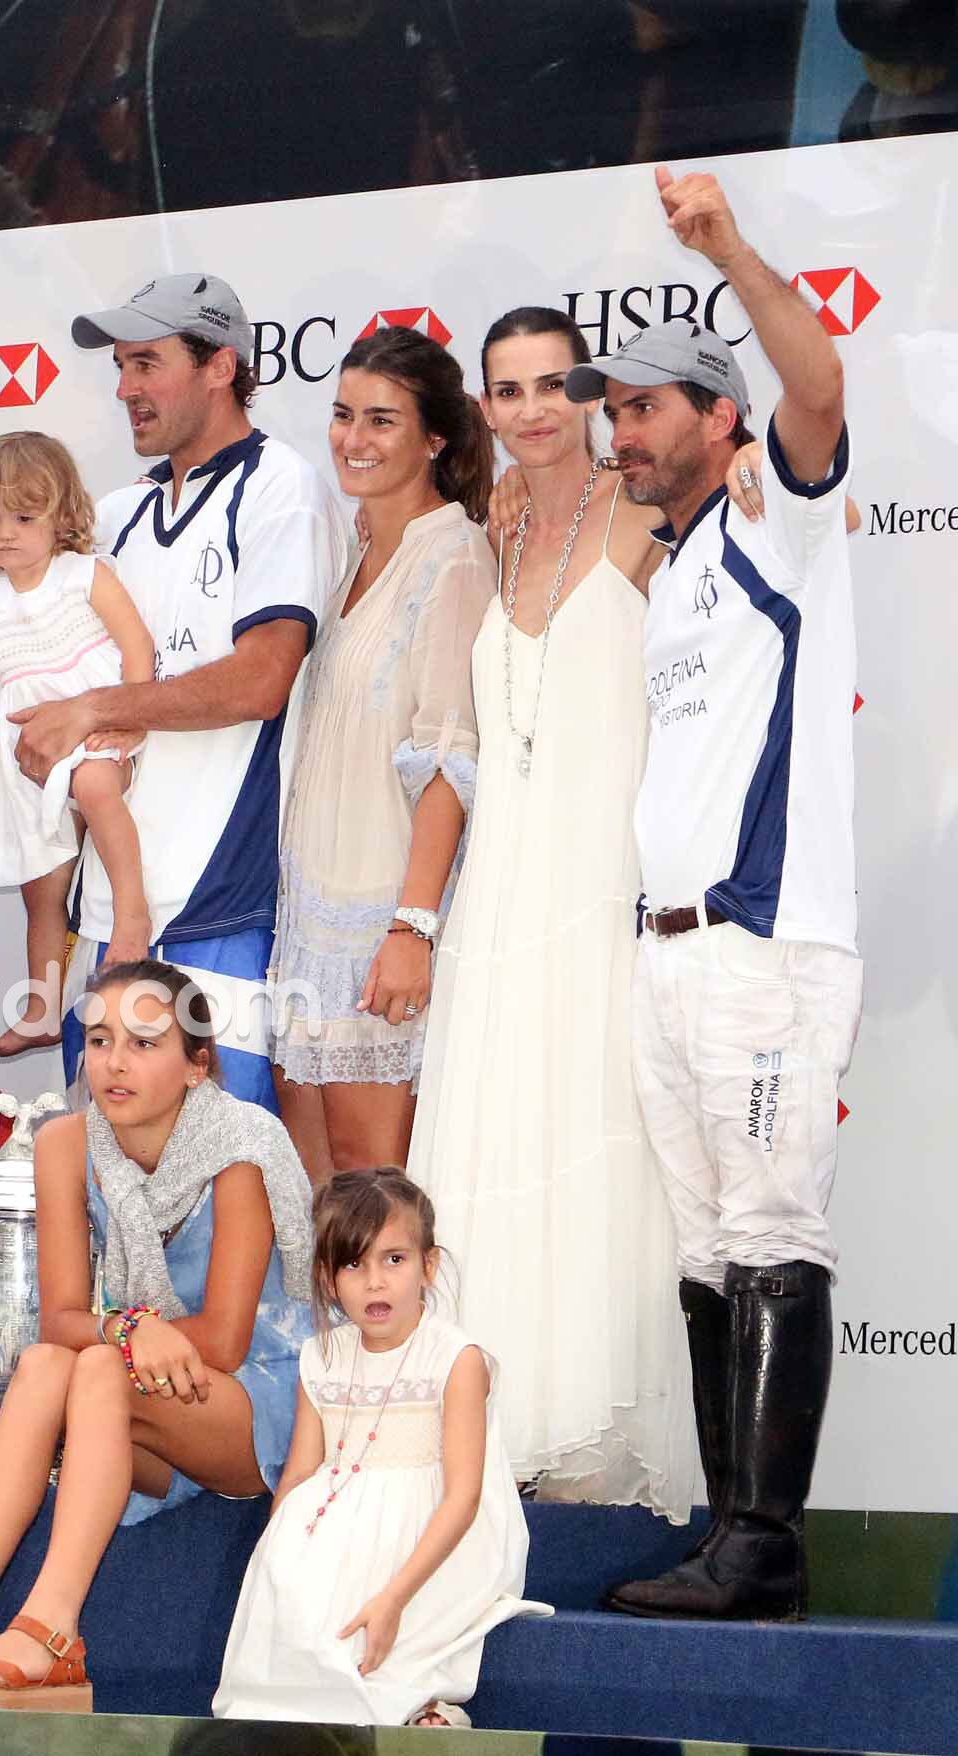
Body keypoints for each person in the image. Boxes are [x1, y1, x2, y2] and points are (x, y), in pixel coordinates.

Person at [564, 166, 861, 1622]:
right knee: (707, 1249)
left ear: (718, 418)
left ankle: (769, 1543)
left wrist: (725, 247)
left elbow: (819, 387)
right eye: (610, 409)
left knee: (772, 1227)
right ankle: (726, 1531)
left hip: (763, 943)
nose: (622, 429)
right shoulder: (676, 565)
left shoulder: (774, 523)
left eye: (645, 406)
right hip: (665, 956)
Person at [406, 305, 695, 1519]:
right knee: (493, 1135)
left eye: (548, 386)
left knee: (589, 1137)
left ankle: (586, 1443)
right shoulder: (492, 532)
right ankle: (494, 1427)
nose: (528, 409)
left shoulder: (649, 517)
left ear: (588, 395)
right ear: (483, 406)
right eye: (505, 389)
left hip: (600, 878)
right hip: (498, 888)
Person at [0, 959, 315, 1708]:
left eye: (143, 1042)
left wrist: (127, 1343)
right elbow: (63, 1318)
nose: (113, 1063)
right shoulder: (68, 1143)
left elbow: (226, 1342)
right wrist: (129, 1327)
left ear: (198, 1065)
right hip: (149, 1394)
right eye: (98, 1041)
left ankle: (52, 1629)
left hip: (255, 1402)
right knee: (42, 1364)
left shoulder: (242, 1146)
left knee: (96, 1370)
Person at [32, 274, 347, 1109]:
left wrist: (96, 710)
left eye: (146, 364)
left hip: (221, 911)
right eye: (121, 368)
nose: (126, 388)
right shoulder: (115, 514)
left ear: (220, 366)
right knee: (112, 1202)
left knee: (229, 1199)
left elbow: (262, 678)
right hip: (106, 915)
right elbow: (9, 571)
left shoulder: (283, 487)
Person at [269, 325, 495, 1176]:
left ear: (435, 437)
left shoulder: (456, 556)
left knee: (376, 1197)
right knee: (320, 1205)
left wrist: (411, 929)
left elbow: (449, 760)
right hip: (309, 925)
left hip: (380, 928)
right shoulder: (347, 549)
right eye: (341, 415)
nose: (352, 440)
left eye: (381, 421)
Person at [214, 1170, 549, 1727]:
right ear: (327, 1278)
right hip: (333, 1528)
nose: (375, 1282)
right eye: (354, 1264)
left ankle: (421, 1707)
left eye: (394, 1260)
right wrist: (280, 1562)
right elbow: (301, 1471)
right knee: (299, 1631)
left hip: (430, 1532)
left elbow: (464, 1496)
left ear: (428, 1265)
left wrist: (394, 1595)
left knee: (376, 1642)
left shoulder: (455, 1359)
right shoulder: (318, 1356)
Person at [0, 432, 157, 1056]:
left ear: (61, 515)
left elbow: (137, 645)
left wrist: (136, 714)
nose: (5, 532)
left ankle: (131, 913)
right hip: (23, 761)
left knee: (93, 787)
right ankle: (41, 1006)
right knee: (42, 884)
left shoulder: (84, 576)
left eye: (24, 517)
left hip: (95, 729)